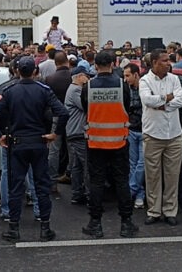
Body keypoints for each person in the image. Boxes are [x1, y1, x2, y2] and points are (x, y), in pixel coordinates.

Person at [0, 56, 69, 242]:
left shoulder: (9, 91)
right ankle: (45, 227)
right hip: (39, 143)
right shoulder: (43, 91)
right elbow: (63, 112)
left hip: (17, 144)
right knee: (41, 185)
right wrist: (55, 134)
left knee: (15, 187)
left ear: (17, 71)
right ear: (34, 72)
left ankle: (14, 228)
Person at [80, 51, 138, 238]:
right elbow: (127, 108)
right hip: (119, 141)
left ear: (95, 66)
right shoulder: (122, 86)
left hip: (95, 143)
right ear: (114, 64)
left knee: (96, 183)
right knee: (121, 182)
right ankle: (126, 223)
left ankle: (95, 224)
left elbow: (85, 108)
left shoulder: (88, 86)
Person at [139, 49, 182, 226]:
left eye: (169, 60)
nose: (169, 63)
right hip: (153, 134)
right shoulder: (145, 80)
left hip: (174, 134)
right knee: (153, 176)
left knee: (172, 175)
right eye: (165, 61)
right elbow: (148, 101)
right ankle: (154, 211)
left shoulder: (174, 79)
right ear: (155, 63)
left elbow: (181, 100)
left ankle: (170, 210)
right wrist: (167, 98)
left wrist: (163, 104)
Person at [44, 51, 73, 186]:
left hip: (56, 116)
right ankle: (71, 174)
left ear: (55, 64)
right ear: (67, 61)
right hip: (73, 116)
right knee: (72, 147)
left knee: (54, 149)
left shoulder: (50, 79)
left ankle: (52, 180)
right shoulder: (73, 77)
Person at [65, 66, 92, 205]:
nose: (88, 79)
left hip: (72, 131)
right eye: (87, 76)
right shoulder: (76, 90)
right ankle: (89, 195)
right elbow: (86, 105)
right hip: (78, 132)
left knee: (76, 165)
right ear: (80, 76)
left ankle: (77, 193)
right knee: (86, 164)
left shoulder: (71, 89)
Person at [123, 62, 145, 209]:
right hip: (131, 129)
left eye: (128, 76)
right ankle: (139, 194)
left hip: (144, 130)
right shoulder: (126, 90)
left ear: (136, 74)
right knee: (133, 164)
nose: (125, 79)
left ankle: (131, 190)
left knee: (141, 164)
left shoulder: (145, 88)